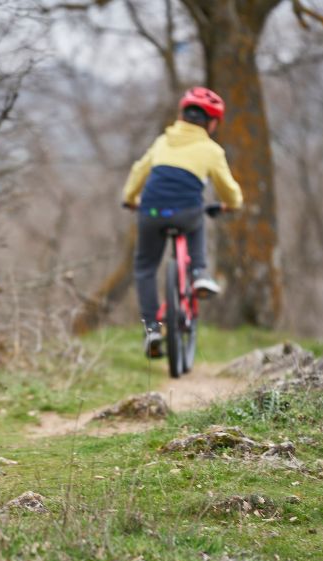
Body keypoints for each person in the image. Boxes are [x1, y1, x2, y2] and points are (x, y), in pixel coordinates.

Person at [122, 87, 243, 358]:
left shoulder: (162, 142)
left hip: (151, 213)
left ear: (182, 115)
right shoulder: (211, 150)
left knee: (144, 268)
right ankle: (199, 272)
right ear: (211, 123)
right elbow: (228, 189)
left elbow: (138, 171)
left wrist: (131, 199)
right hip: (187, 213)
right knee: (197, 216)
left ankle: (152, 328)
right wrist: (232, 204)